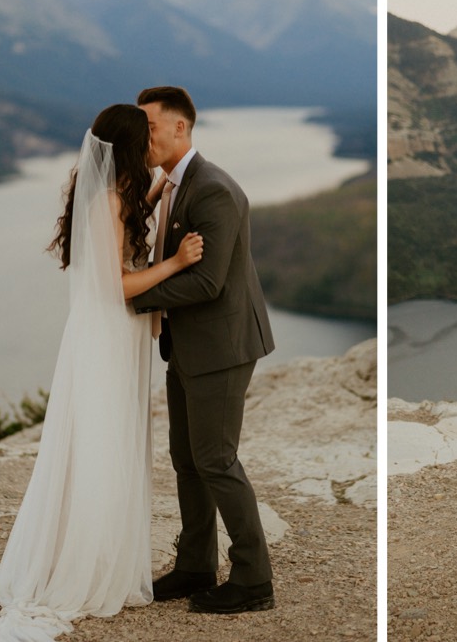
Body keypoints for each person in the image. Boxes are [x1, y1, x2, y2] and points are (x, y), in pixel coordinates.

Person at [0, 104, 205, 641]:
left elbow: (131, 223)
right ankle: (84, 564)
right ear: (129, 149)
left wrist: (159, 190)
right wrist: (176, 263)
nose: (152, 144)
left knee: (111, 441)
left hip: (115, 334)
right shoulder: (108, 201)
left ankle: (101, 551)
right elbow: (117, 283)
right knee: (102, 443)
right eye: (146, 138)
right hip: (109, 334)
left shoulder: (116, 195)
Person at [131, 86, 278, 613]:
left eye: (148, 128)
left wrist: (131, 298)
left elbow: (208, 283)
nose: (142, 138)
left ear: (181, 128)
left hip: (221, 344)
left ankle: (254, 580)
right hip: (187, 345)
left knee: (216, 459)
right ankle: (195, 565)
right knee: (186, 459)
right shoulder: (167, 185)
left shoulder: (212, 188)